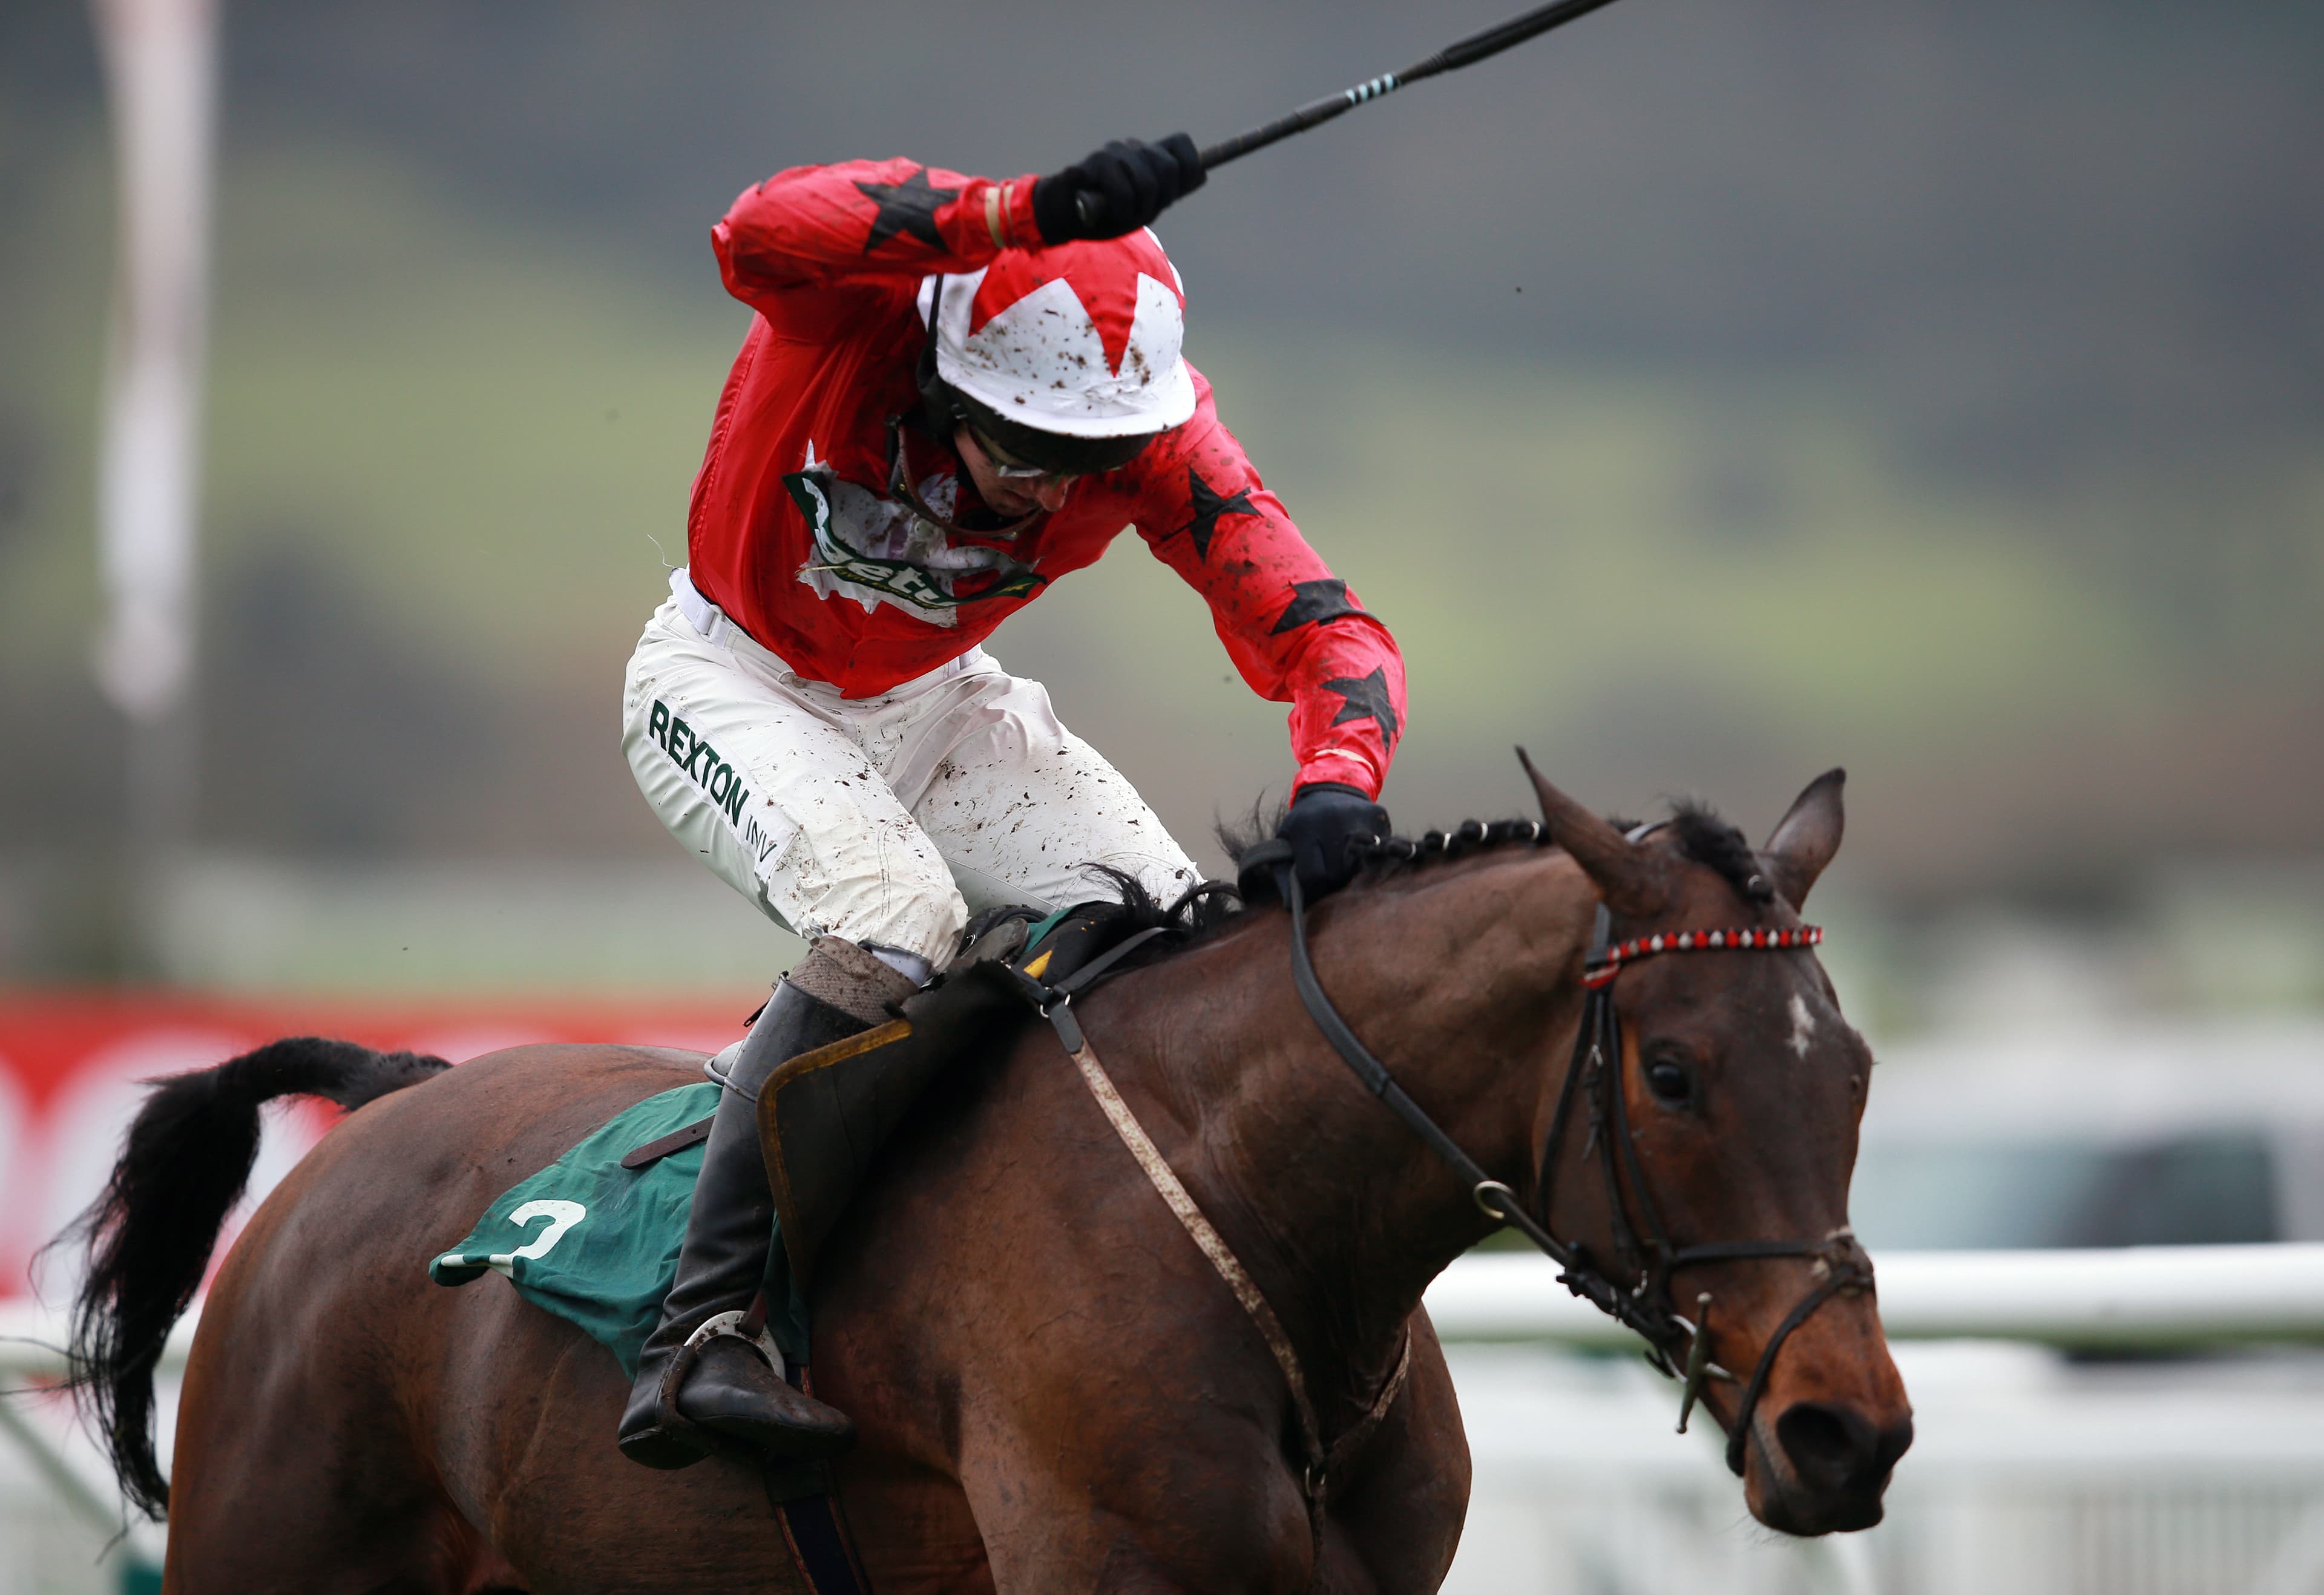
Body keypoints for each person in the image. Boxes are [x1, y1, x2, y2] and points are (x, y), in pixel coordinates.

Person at [615, 136, 1409, 1469]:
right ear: (940, 370)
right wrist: (1011, 215)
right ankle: (699, 1334)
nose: (1050, 485)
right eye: (1026, 444)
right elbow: (752, 231)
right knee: (895, 913)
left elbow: (1334, 634)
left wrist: (1340, 785)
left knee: (1167, 930)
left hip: (934, 700)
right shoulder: (857, 313)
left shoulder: (1162, 446)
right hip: (728, 674)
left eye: (1086, 453)